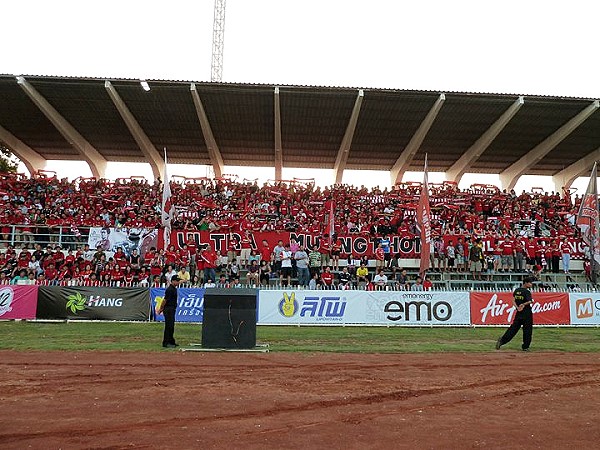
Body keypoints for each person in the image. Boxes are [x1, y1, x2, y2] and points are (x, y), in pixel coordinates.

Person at [496, 276, 535, 352]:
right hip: (526, 313)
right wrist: (523, 304)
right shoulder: (526, 292)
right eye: (530, 283)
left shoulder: (517, 290)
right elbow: (530, 301)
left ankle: (502, 341)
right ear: (526, 283)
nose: (531, 284)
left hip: (519, 313)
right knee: (527, 330)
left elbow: (513, 300)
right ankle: (525, 346)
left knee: (513, 329)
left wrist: (517, 307)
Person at [157, 275, 180, 348]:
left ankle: (171, 341)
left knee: (171, 326)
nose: (178, 282)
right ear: (173, 281)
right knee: (168, 326)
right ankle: (166, 342)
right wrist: (161, 309)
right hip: (168, 309)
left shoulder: (174, 289)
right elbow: (165, 300)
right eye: (177, 281)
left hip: (172, 309)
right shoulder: (170, 289)